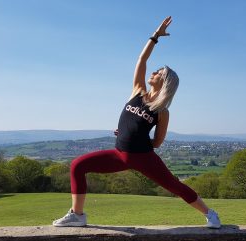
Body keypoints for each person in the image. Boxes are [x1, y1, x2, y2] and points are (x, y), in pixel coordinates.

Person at [52, 16, 221, 229]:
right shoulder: (138, 91)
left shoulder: (162, 111)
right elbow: (141, 61)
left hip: (144, 158)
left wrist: (135, 138)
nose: (153, 72)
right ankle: (77, 215)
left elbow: (157, 142)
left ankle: (211, 214)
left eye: (159, 72)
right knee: (78, 165)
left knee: (174, 186)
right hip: (119, 154)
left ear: (166, 82)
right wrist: (155, 36)